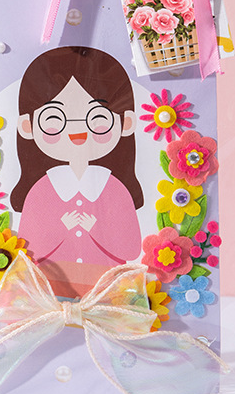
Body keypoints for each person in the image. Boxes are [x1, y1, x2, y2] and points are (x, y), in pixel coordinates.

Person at [14, 46, 143, 298]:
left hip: (109, 291)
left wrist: (97, 228)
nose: (77, 132)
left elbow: (132, 248)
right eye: (53, 120)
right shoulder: (42, 190)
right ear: (27, 126)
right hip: (50, 290)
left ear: (126, 122)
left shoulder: (115, 189)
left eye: (98, 118)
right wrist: (61, 227)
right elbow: (26, 248)